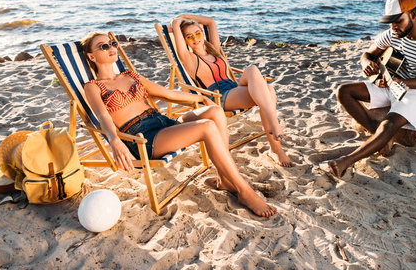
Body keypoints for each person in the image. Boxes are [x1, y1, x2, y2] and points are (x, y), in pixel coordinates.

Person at [81, 32, 276, 217]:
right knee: (207, 127)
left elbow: (168, 94)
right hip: (143, 137)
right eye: (103, 46)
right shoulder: (93, 87)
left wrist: (200, 97)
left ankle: (224, 179)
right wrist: (114, 140)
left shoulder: (130, 76)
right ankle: (244, 191)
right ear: (91, 56)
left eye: (113, 43)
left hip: (164, 123)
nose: (111, 48)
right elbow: (102, 115)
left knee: (215, 111)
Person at [329, 0, 416, 178]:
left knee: (388, 125)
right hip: (389, 83)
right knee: (344, 91)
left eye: (398, 20)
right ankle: (379, 138)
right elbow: (367, 54)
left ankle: (345, 162)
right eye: (390, 22)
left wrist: (397, 82)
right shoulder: (392, 33)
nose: (393, 26)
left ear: (413, 15)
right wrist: (367, 64)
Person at [171, 14, 294, 167]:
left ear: (202, 32)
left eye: (197, 33)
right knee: (268, 90)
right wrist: (177, 22)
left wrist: (185, 16)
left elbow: (210, 21)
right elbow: (175, 24)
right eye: (189, 37)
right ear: (184, 40)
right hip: (219, 96)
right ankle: (276, 144)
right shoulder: (189, 58)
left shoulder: (213, 49)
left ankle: (275, 142)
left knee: (253, 70)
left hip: (233, 87)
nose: (195, 39)